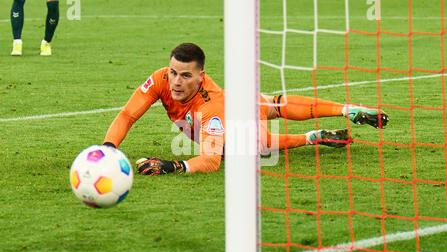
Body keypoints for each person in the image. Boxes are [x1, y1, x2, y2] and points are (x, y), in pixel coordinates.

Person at [103, 43, 389, 175]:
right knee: (266, 110)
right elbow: (128, 114)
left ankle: (329, 123)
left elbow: (211, 162)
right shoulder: (160, 78)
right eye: (174, 73)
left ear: (201, 76)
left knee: (256, 144)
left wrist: (174, 165)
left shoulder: (209, 107)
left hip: (231, 115)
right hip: (237, 104)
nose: (176, 82)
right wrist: (108, 147)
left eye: (186, 76)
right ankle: (335, 118)